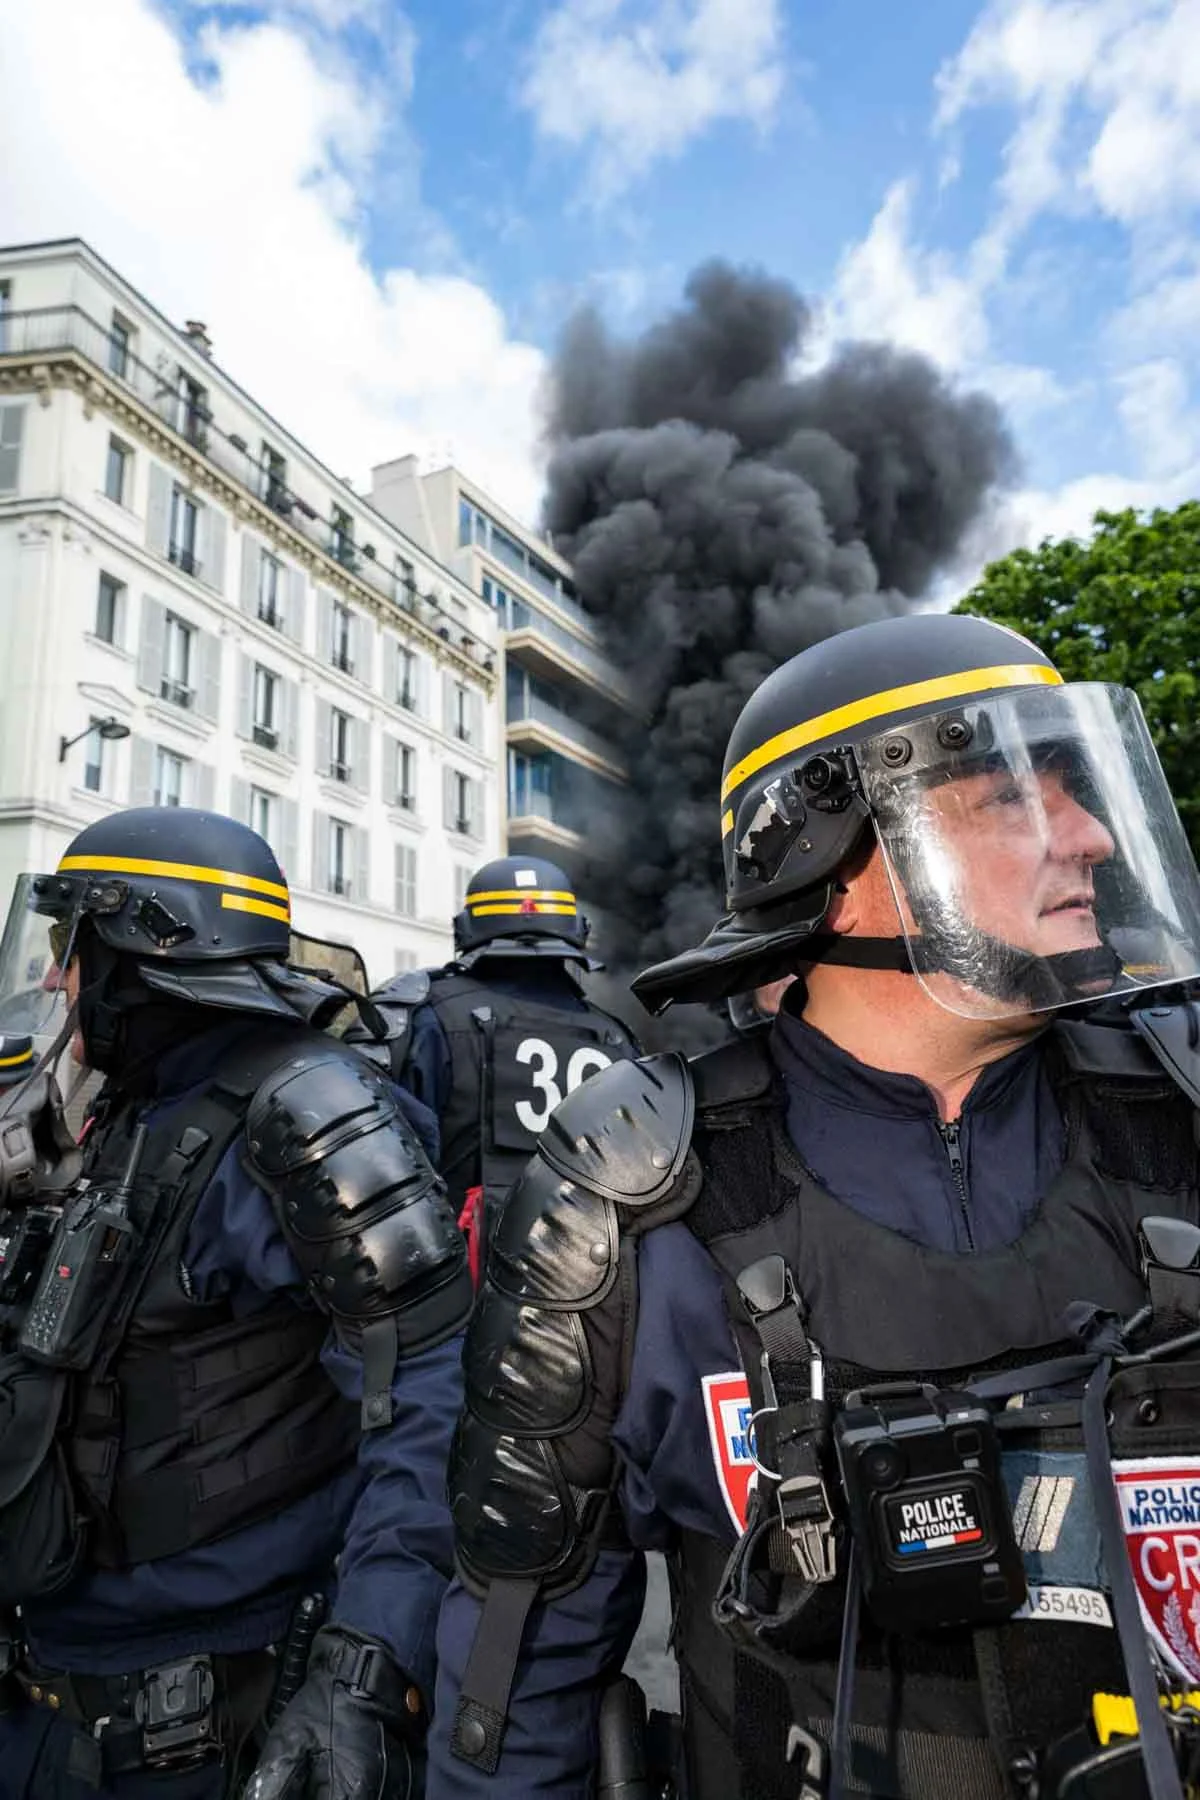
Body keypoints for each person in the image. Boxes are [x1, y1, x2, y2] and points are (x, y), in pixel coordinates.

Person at [428, 611, 1200, 1800]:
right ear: (823, 859)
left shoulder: (1181, 1111)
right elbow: (518, 1672)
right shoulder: (637, 1200)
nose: (1091, 836)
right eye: (1010, 796)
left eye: (1079, 789)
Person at [0, 806, 473, 1800]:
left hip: (201, 1724)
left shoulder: (307, 1112)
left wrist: (369, 1665)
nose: (53, 981)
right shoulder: (131, 1109)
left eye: (69, 948)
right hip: (52, 1690)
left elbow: (432, 1388)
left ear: (139, 950)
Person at [362, 856, 640, 1274]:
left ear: (467, 927)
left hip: (461, 1286)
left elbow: (384, 1169)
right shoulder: (616, 1038)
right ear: (577, 930)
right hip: (589, 1279)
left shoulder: (428, 1018)